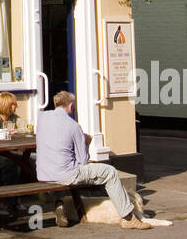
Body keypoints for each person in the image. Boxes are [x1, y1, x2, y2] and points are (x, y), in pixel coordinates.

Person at [35, 91, 151, 229]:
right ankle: (128, 217)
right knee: (110, 172)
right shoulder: (73, 126)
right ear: (71, 106)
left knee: (61, 165)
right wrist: (87, 142)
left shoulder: (41, 118)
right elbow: (83, 161)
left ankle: (60, 203)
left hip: (43, 173)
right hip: (64, 174)